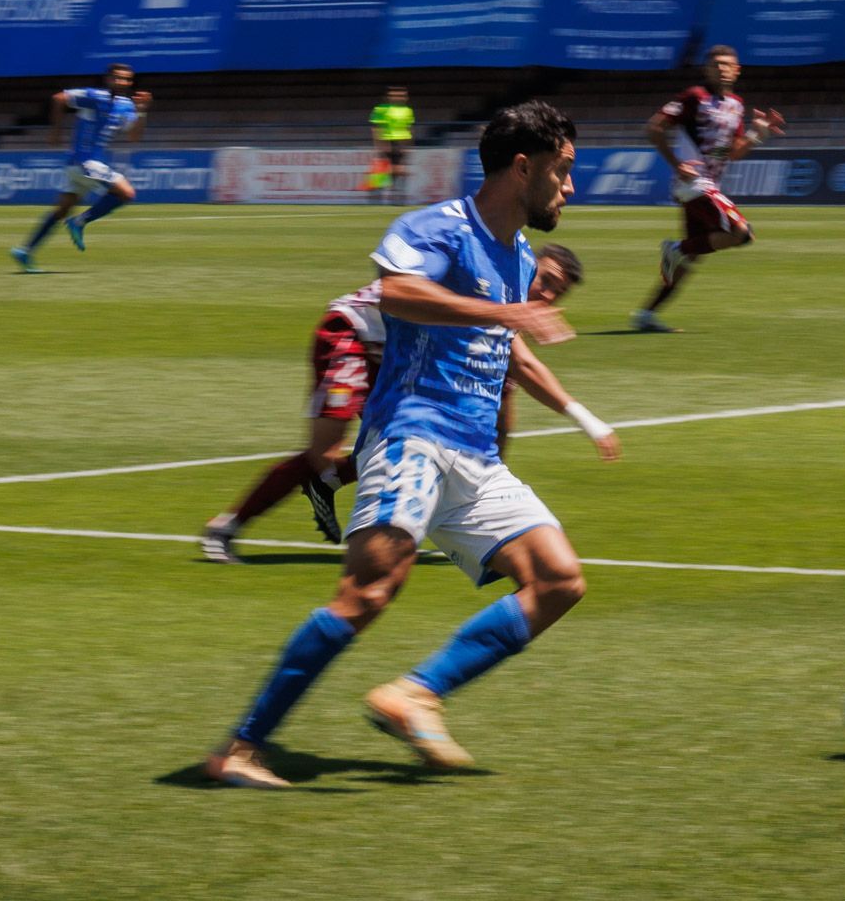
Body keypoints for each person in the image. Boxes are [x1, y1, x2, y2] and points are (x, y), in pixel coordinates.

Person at [205, 100, 604, 789]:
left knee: (559, 580)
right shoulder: (439, 226)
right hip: (411, 438)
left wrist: (575, 410)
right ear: (523, 167)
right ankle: (239, 748)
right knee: (366, 594)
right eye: (562, 171)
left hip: (475, 459)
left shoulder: (517, 256)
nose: (570, 187)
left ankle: (414, 694)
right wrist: (504, 312)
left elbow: (502, 345)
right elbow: (396, 293)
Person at [198, 244, 611, 564]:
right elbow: (525, 364)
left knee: (416, 440)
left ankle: (330, 483)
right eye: (546, 279)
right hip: (352, 335)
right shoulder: (493, 284)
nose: (547, 294)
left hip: (397, 355)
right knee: (323, 453)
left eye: (558, 292)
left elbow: (507, 399)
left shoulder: (507, 306)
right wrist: (589, 422)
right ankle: (225, 527)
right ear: (529, 265)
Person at [630, 46, 783, 334]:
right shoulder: (694, 97)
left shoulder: (736, 105)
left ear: (737, 70)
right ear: (707, 70)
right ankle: (675, 248)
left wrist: (757, 133)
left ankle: (645, 315)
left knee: (689, 260)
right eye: (715, 64)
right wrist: (677, 164)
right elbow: (654, 128)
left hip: (708, 186)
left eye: (726, 64)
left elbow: (730, 152)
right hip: (694, 184)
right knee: (741, 233)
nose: (721, 69)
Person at [10, 64, 149, 273]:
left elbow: (133, 137)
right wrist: (56, 132)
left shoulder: (126, 105)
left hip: (82, 166)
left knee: (61, 211)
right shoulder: (94, 96)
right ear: (108, 79)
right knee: (126, 193)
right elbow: (59, 98)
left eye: (127, 79)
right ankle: (79, 222)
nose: (123, 82)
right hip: (85, 162)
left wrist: (142, 111)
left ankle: (25, 251)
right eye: (118, 77)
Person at [368, 85, 416, 205]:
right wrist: (380, 144)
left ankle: (397, 198)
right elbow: (376, 128)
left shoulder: (408, 110)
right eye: (395, 95)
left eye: (401, 96)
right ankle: (375, 197)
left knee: (399, 171)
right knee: (382, 170)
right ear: (389, 97)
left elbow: (409, 128)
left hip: (401, 142)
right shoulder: (381, 109)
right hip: (387, 141)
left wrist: (408, 146)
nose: (398, 98)